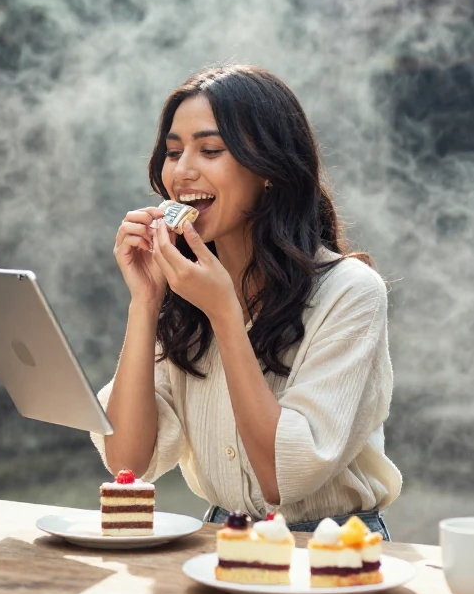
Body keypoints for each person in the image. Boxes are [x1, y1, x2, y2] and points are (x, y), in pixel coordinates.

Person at [90, 64, 402, 538]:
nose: (183, 171)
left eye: (211, 150)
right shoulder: (182, 289)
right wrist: (145, 303)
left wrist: (225, 315)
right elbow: (128, 462)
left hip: (333, 548)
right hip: (221, 538)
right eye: (173, 152)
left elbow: (282, 478)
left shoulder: (350, 292)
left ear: (270, 172)